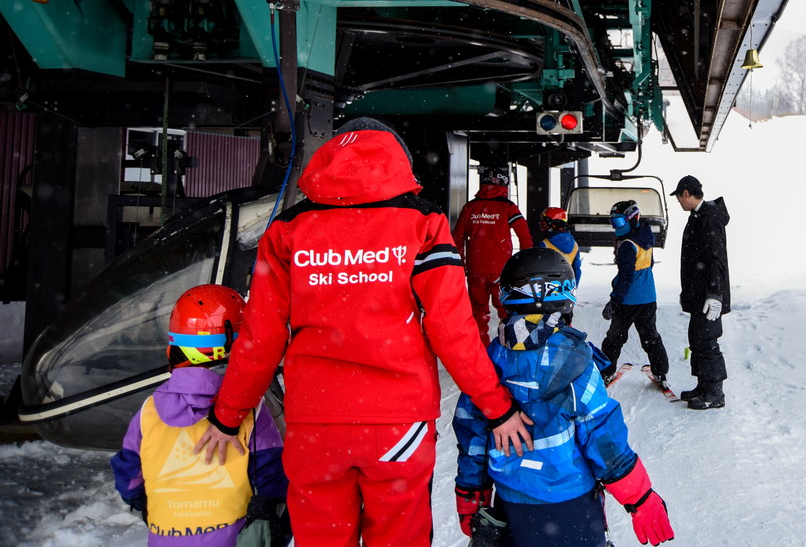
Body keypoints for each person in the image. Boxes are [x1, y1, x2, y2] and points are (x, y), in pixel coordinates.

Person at [194, 117, 533, 547]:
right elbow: (453, 330)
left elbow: (261, 336)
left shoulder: (287, 230)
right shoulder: (423, 223)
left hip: (315, 426)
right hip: (398, 426)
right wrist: (496, 408)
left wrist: (227, 417)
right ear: (400, 163)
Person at [453, 247, 675, 547]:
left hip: (511, 503)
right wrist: (640, 497)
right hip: (571, 506)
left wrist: (471, 495)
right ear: (563, 295)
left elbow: (472, 433)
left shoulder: (489, 361)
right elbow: (603, 437)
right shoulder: (575, 361)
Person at [112, 284, 289, 547]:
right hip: (235, 538)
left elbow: (128, 477)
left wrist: (148, 506)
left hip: (166, 538)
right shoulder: (253, 410)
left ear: (173, 348)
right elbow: (271, 478)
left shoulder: (148, 411)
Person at [670, 175, 730, 410]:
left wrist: (715, 294)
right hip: (698, 295)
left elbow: (716, 259)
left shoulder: (709, 217)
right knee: (697, 340)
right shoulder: (697, 216)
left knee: (708, 341)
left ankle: (715, 393)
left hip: (709, 296)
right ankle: (703, 385)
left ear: (687, 193)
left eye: (678, 197)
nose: (678, 202)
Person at [455, 165, 535, 338]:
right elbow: (524, 235)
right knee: (507, 309)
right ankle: (509, 347)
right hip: (501, 269)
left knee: (478, 311)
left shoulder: (470, 207)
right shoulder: (508, 207)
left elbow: (457, 239)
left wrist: (460, 264)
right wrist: (524, 263)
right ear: (504, 183)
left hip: (475, 268)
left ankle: (480, 351)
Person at [600, 200, 670, 386]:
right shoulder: (646, 237)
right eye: (613, 223)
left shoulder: (626, 245)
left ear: (632, 219)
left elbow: (625, 277)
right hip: (648, 297)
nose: (616, 228)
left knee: (615, 338)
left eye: (619, 223)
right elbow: (649, 264)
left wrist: (614, 301)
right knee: (650, 337)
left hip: (627, 301)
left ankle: (605, 372)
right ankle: (661, 373)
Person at [538, 206, 583, 284]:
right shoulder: (574, 245)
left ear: (554, 225)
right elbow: (577, 271)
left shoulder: (545, 244)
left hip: (547, 290)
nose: (543, 228)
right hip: (566, 290)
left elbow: (537, 269)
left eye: (544, 225)